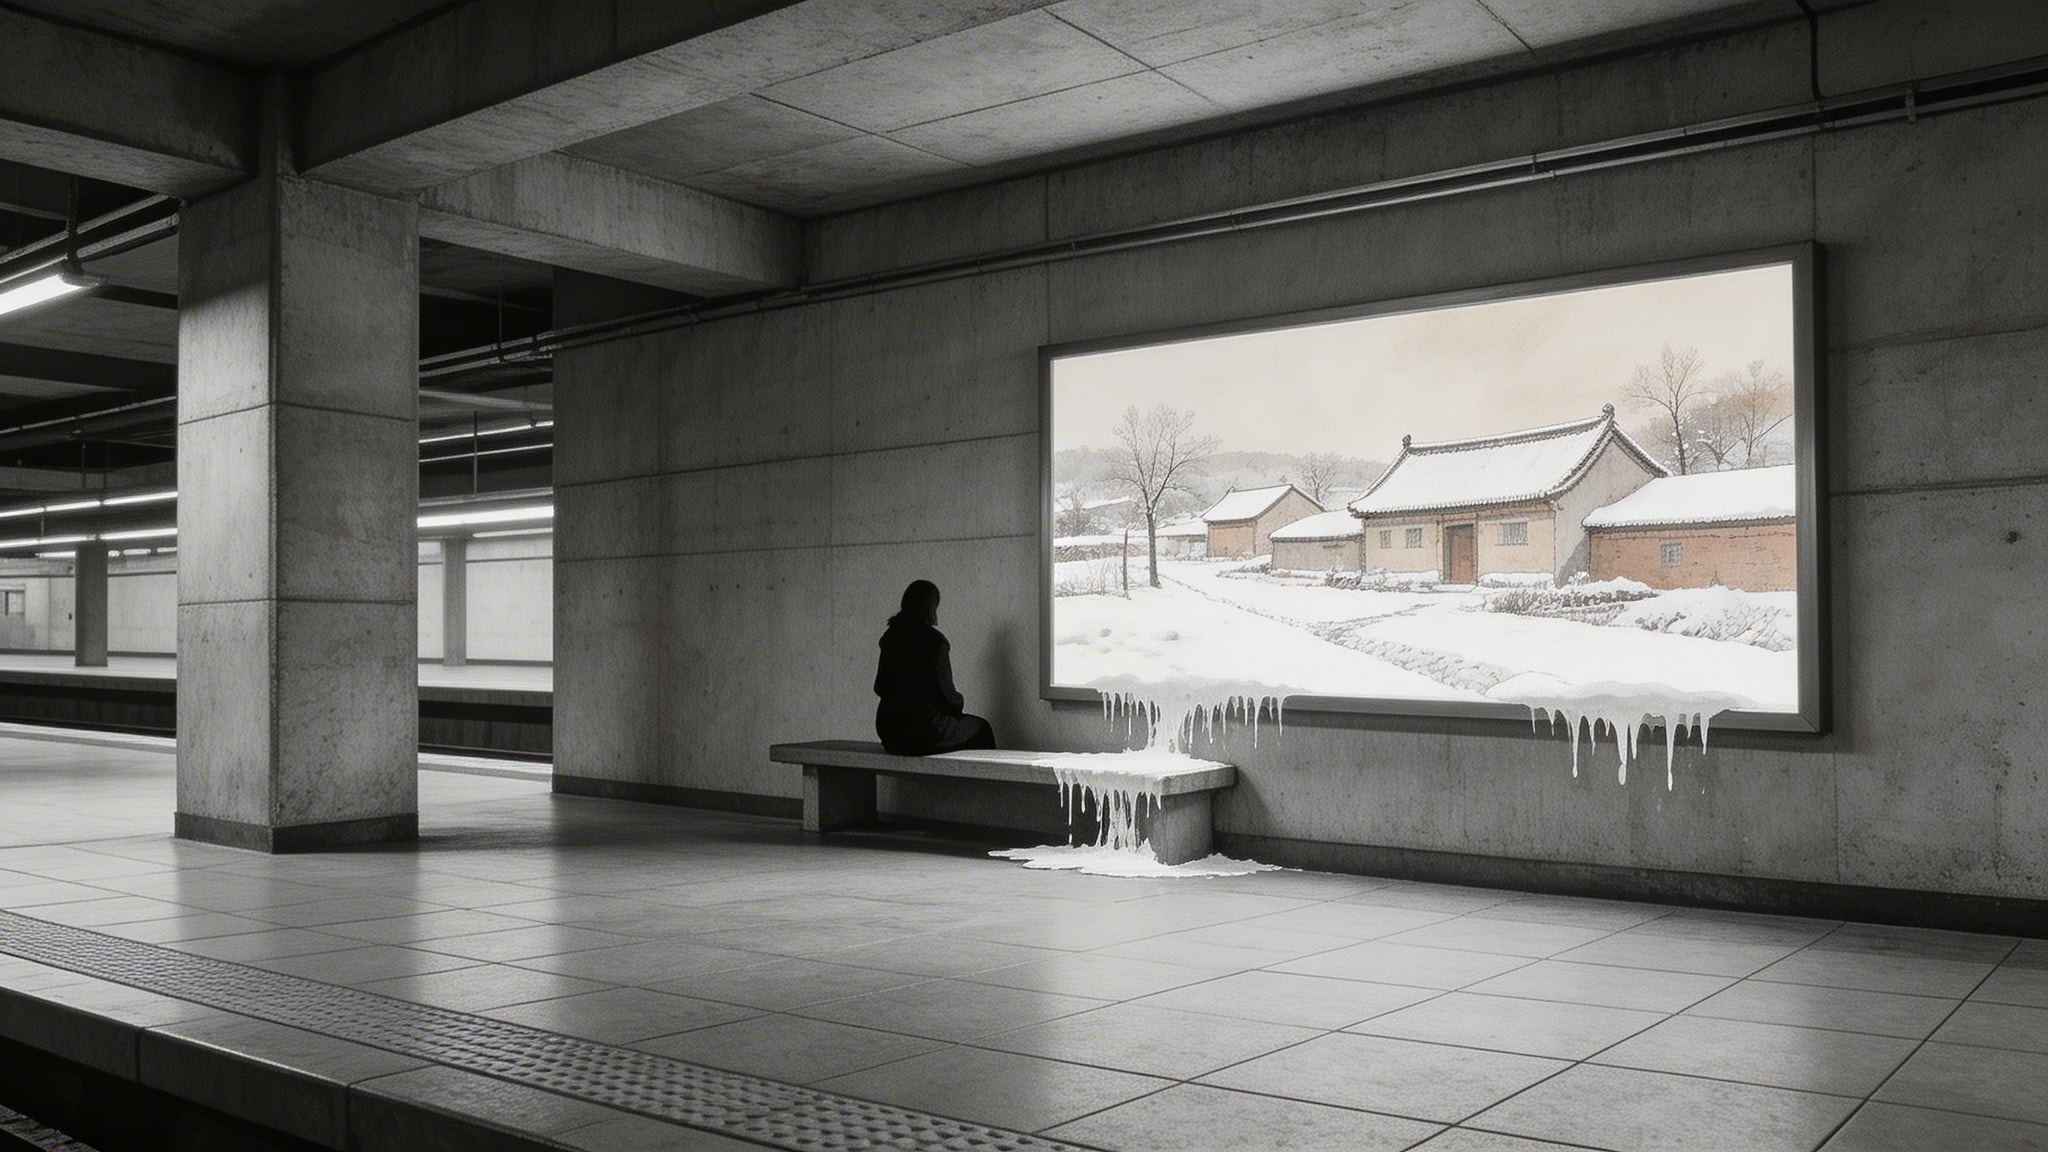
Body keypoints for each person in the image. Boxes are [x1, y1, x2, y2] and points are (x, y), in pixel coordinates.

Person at [873, 579, 997, 755]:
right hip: (923, 732)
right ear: (931, 606)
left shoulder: (890, 637)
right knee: (982, 728)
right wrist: (958, 704)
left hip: (889, 731)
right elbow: (946, 696)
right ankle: (975, 783)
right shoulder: (934, 642)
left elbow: (879, 687)